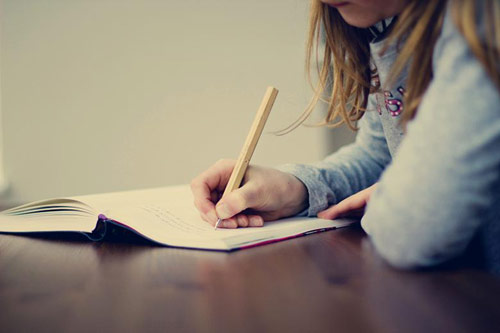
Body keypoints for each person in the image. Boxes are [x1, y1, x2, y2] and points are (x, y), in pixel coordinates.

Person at [190, 0, 500, 273]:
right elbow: (380, 155)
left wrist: (407, 193)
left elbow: (413, 228)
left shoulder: (483, 23)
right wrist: (297, 188)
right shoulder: (386, 22)